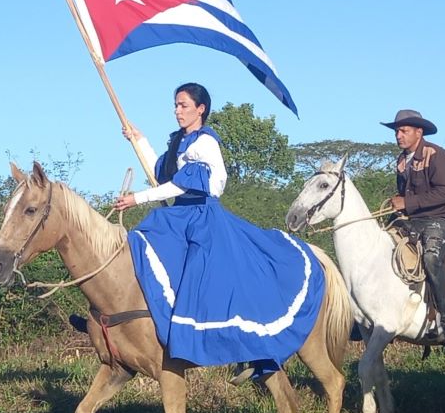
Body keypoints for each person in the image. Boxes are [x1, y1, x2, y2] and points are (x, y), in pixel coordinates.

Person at [113, 83, 327, 379]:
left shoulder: (205, 143)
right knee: (142, 242)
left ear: (201, 109)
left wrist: (136, 198)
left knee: (214, 279)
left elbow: (181, 185)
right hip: (180, 215)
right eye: (175, 105)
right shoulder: (179, 141)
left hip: (203, 217)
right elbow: (160, 173)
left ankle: (244, 346)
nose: (177, 111)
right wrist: (139, 140)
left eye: (184, 105)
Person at [384, 108, 445, 344]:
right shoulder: (401, 160)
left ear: (419, 132)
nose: (399, 135)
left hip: (441, 217)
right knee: (381, 246)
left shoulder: (436, 154)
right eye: (397, 131)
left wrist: (407, 202)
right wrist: (397, 205)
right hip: (414, 219)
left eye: (404, 131)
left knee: (431, 258)